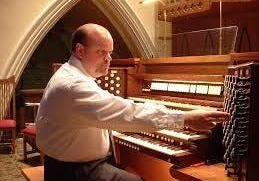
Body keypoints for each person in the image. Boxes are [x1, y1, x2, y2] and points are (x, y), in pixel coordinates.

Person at [36, 23, 229, 181]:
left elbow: (116, 109)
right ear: (80, 50)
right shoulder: (73, 85)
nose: (108, 59)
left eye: (110, 53)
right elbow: (126, 113)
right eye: (102, 52)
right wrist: (184, 118)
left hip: (70, 164)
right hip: (73, 172)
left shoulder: (73, 74)